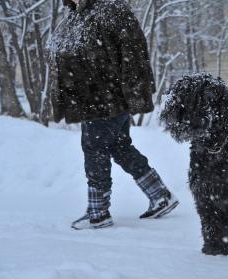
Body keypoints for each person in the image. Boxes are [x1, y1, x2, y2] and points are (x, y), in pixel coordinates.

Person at [46, 0, 179, 230]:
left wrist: (135, 93)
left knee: (94, 147)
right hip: (97, 98)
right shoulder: (76, 16)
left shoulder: (110, 9)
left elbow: (134, 53)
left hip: (106, 98)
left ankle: (98, 212)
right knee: (119, 146)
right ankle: (160, 194)